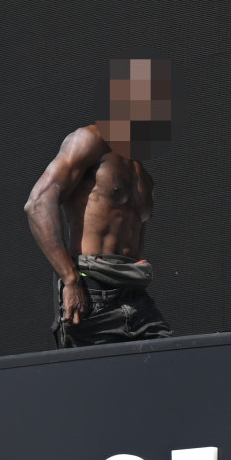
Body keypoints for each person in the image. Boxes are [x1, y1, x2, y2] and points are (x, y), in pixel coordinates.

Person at [23, 59, 173, 347]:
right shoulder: (90, 140)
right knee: (95, 384)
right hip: (91, 291)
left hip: (134, 293)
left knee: (171, 367)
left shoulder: (144, 176)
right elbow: (38, 204)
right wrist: (70, 280)